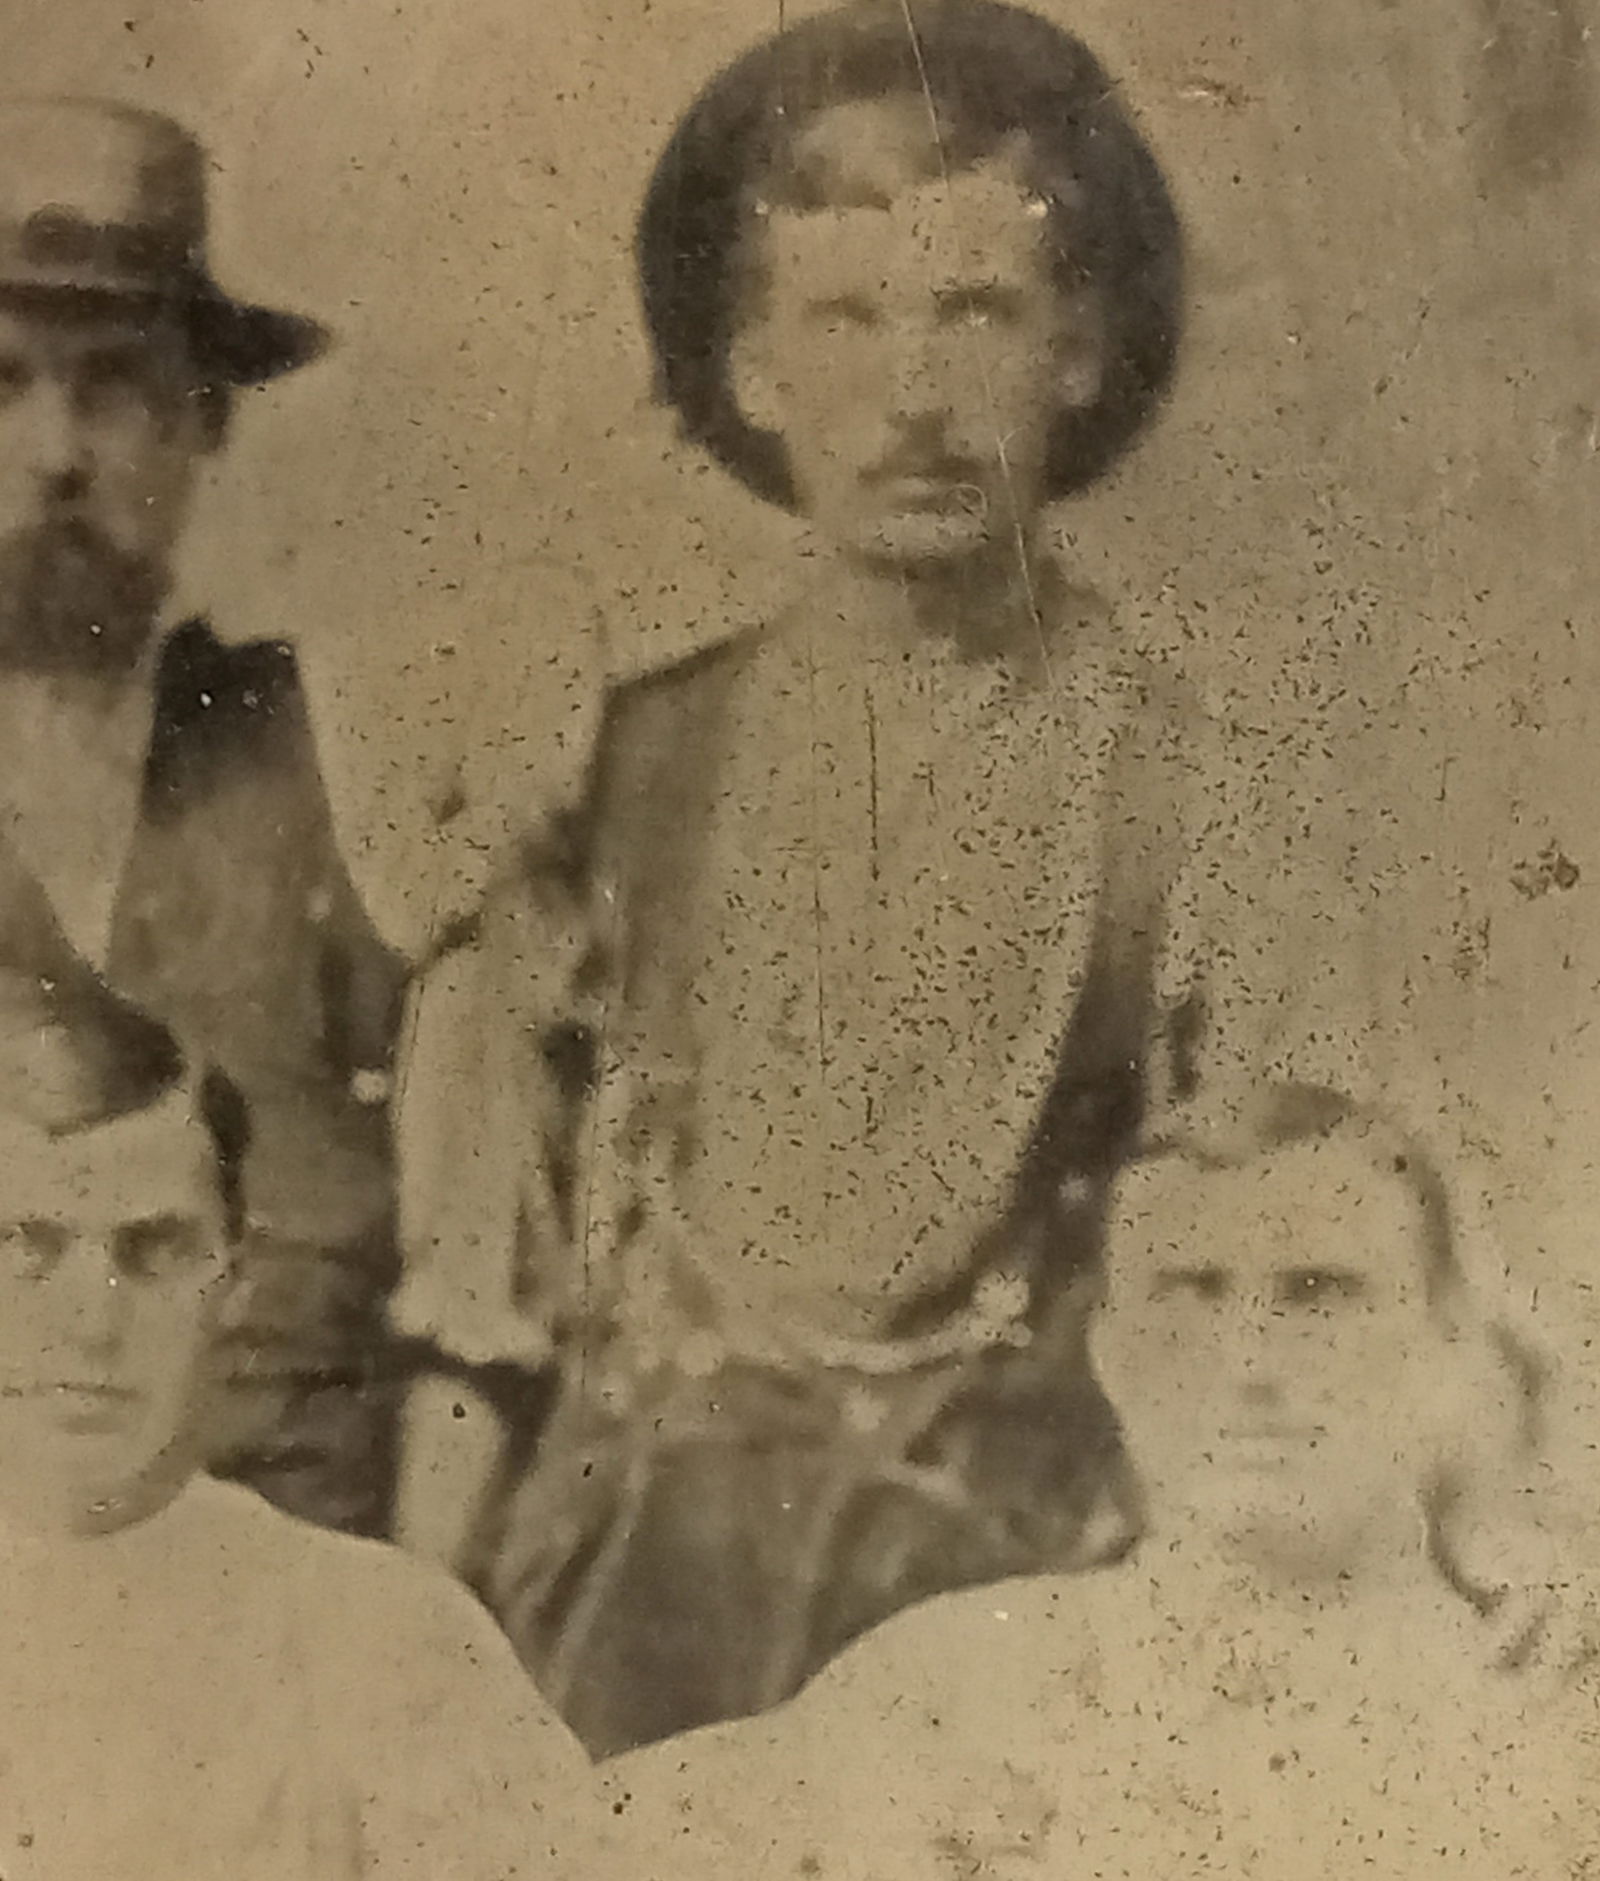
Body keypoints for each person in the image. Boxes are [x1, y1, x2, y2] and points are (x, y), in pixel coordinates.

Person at [425, 0, 1520, 1756]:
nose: (914, 398)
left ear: (1078, 348)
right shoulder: (609, 779)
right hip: (625, 1644)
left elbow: (1334, 1290)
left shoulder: (1200, 802)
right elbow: (481, 1332)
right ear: (755, 368)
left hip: (1028, 1635)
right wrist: (428, 1706)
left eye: (976, 312)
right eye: (847, 320)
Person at [607, 1116, 1579, 1877]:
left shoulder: (1544, 1705)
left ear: (1448, 1343)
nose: (1247, 1364)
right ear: (1109, 1352)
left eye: (1317, 1294)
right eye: (1187, 1295)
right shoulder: (953, 1683)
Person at [0, 97, 405, 1534]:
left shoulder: (340, 753)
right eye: (0, 384)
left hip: (281, 1620)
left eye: (110, 386)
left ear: (202, 418)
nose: (54, 453)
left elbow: (459, 1311)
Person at [0, 992, 594, 1880]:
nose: (90, 1321)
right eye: (23, 1248)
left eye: (155, 1250)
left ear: (234, 1283)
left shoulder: (387, 1643)